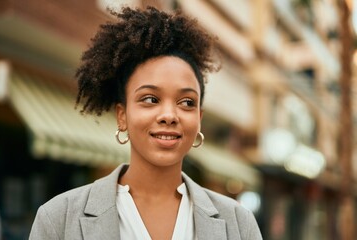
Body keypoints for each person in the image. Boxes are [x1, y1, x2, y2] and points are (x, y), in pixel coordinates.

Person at [29, 6, 262, 240]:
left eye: (187, 102)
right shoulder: (58, 219)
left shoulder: (238, 223)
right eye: (150, 99)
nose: (169, 115)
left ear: (198, 119)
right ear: (122, 115)